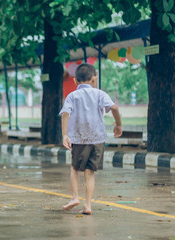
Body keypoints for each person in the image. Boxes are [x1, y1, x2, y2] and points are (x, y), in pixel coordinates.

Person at [59, 63, 122, 215]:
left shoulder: (72, 96)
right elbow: (114, 108)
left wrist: (65, 134)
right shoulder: (100, 94)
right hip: (97, 139)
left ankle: (75, 197)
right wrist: (118, 125)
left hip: (80, 139)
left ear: (75, 81)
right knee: (90, 172)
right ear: (94, 79)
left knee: (74, 168)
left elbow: (65, 113)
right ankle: (87, 205)